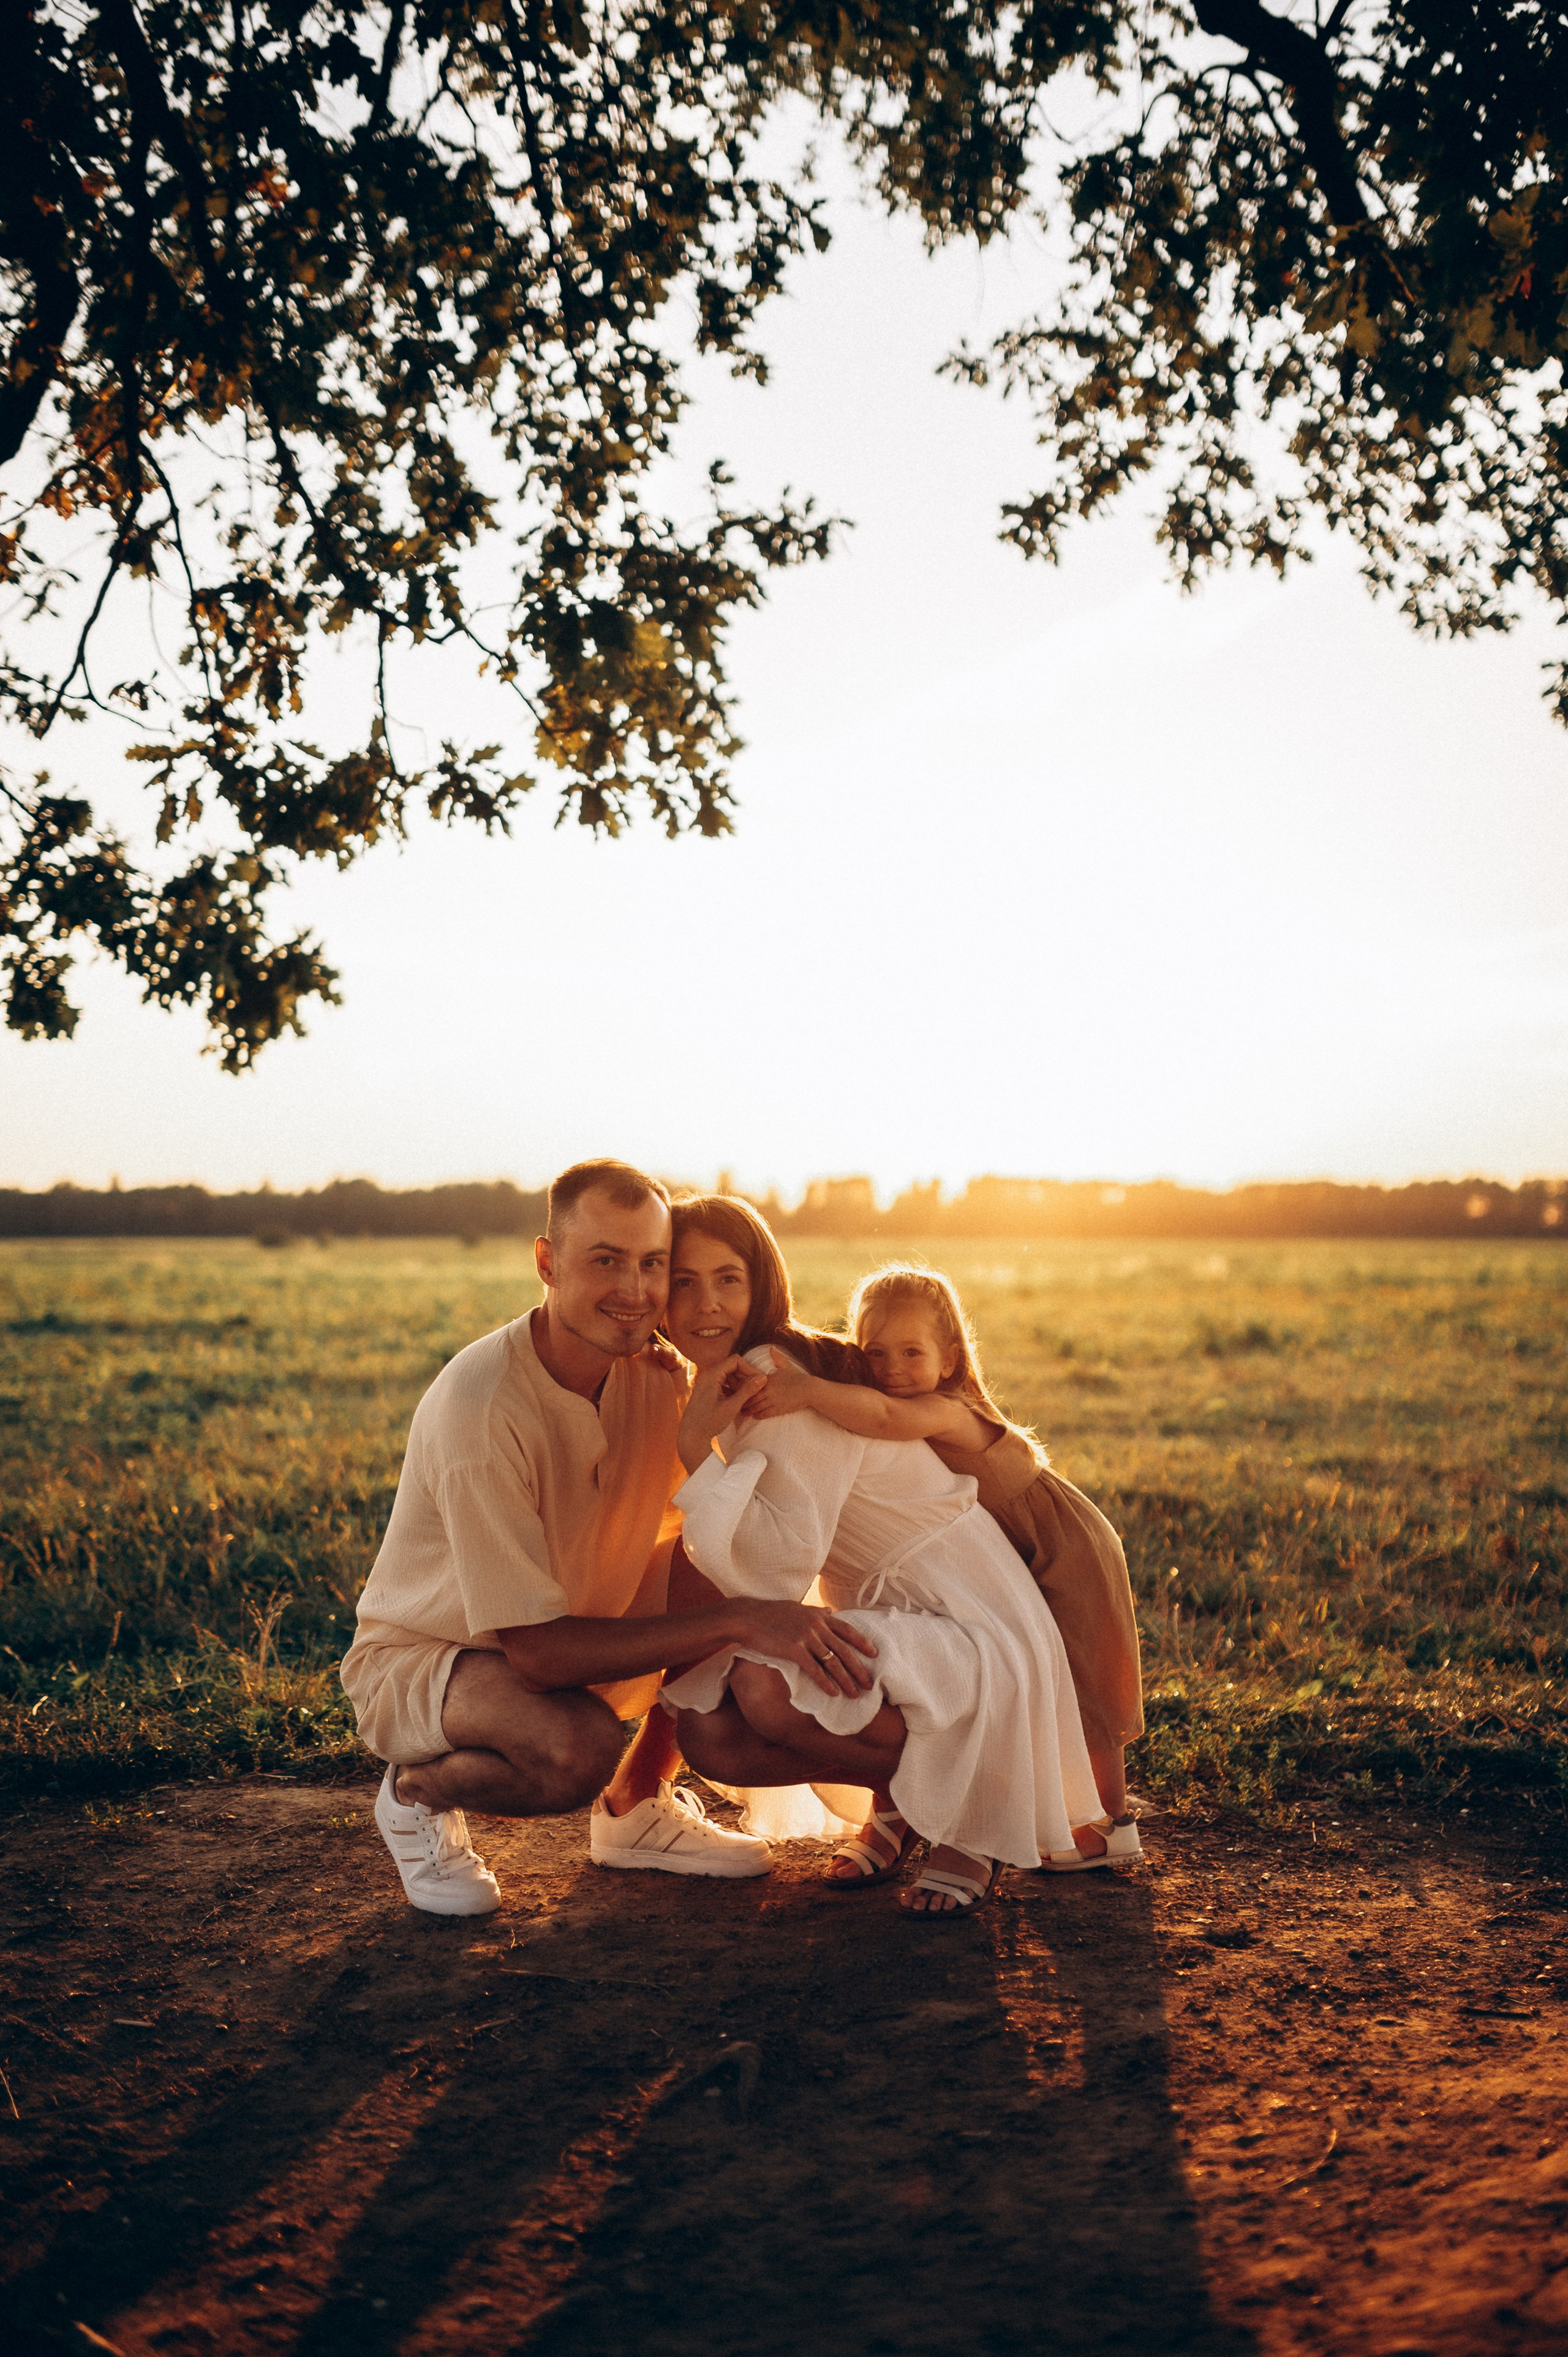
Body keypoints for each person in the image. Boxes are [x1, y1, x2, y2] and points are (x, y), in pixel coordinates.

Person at [340, 1160, 877, 1916]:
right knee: (575, 1747)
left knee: (720, 1544)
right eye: (605, 1260)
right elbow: (538, 1654)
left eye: (652, 1263)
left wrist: (942, 1419)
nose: (634, 1288)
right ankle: (415, 1792)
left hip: (579, 1613)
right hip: (439, 1657)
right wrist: (742, 1621)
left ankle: (637, 1807)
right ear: (547, 1262)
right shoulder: (482, 1407)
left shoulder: (657, 1374)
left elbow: (731, 1509)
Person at [655, 1196, 1107, 1914]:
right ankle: (898, 1797)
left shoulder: (775, 1374)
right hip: (888, 1605)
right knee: (710, 1732)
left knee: (765, 1688)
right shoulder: (732, 1373)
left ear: (762, 1282)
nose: (705, 1302)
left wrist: (692, 1450)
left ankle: (976, 1814)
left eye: (728, 1278)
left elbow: (773, 1565)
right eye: (683, 1281)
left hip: (964, 1610)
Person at [748, 1261, 1144, 1870]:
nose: (893, 1368)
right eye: (875, 1352)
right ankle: (957, 1805)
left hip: (1065, 1548)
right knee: (1036, 1673)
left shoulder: (949, 1408)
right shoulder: (887, 1395)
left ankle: (1113, 1823)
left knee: (1084, 1682)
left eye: (913, 1352)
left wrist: (807, 1391)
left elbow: (885, 1419)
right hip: (1008, 1553)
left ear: (950, 1358)